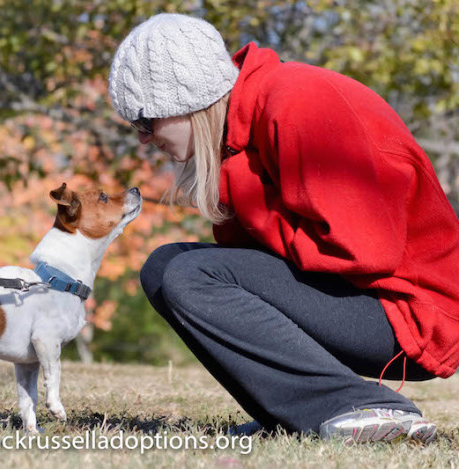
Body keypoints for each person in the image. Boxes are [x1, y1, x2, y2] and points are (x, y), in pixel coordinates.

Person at [108, 13, 459, 444]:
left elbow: (366, 251)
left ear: (188, 101)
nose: (143, 139)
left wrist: (239, 185)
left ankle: (363, 408)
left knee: (191, 275)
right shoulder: (241, 136)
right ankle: (293, 413)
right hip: (369, 303)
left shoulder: (299, 102)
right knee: (164, 267)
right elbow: (260, 259)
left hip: (414, 313)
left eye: (146, 122)